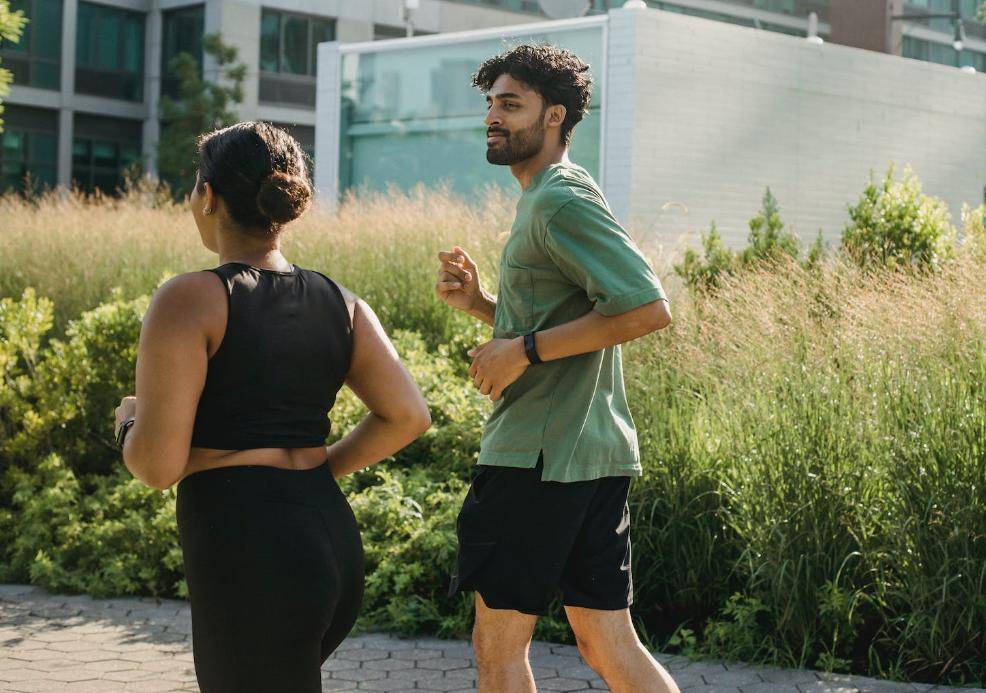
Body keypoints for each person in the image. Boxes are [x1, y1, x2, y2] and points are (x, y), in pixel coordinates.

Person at [114, 121, 431, 693]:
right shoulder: (344, 303)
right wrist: (314, 472)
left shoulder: (189, 298)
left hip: (250, 550)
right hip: (329, 540)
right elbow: (408, 415)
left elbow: (156, 466)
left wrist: (128, 421)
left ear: (208, 196)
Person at [435, 45, 679, 693]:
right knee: (606, 644)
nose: (494, 117)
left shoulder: (558, 199)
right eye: (491, 104)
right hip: (588, 455)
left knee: (498, 648)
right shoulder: (551, 196)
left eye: (511, 104)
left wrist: (525, 349)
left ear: (554, 115)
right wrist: (483, 306)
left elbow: (647, 307)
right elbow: (575, 316)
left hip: (537, 460)